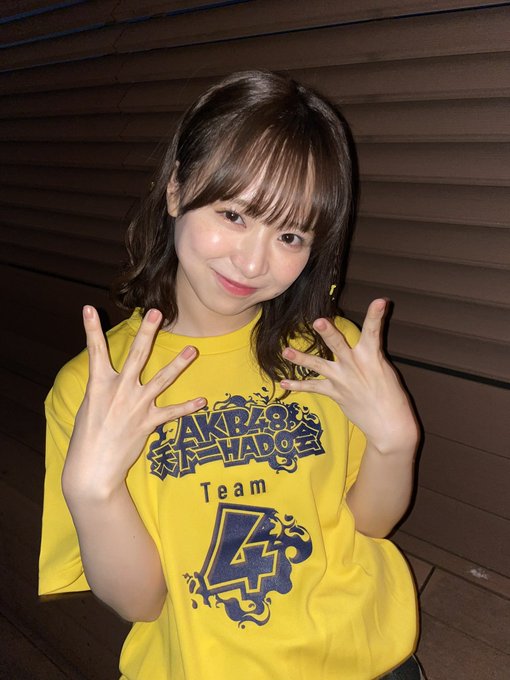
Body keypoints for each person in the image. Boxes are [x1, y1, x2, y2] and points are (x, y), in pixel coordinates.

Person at [39, 70, 422, 680]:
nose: (251, 262)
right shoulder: (96, 386)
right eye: (234, 214)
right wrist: (93, 491)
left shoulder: (334, 352)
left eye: (290, 234)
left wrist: (395, 443)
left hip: (369, 658)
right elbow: (141, 603)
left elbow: (371, 524)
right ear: (176, 190)